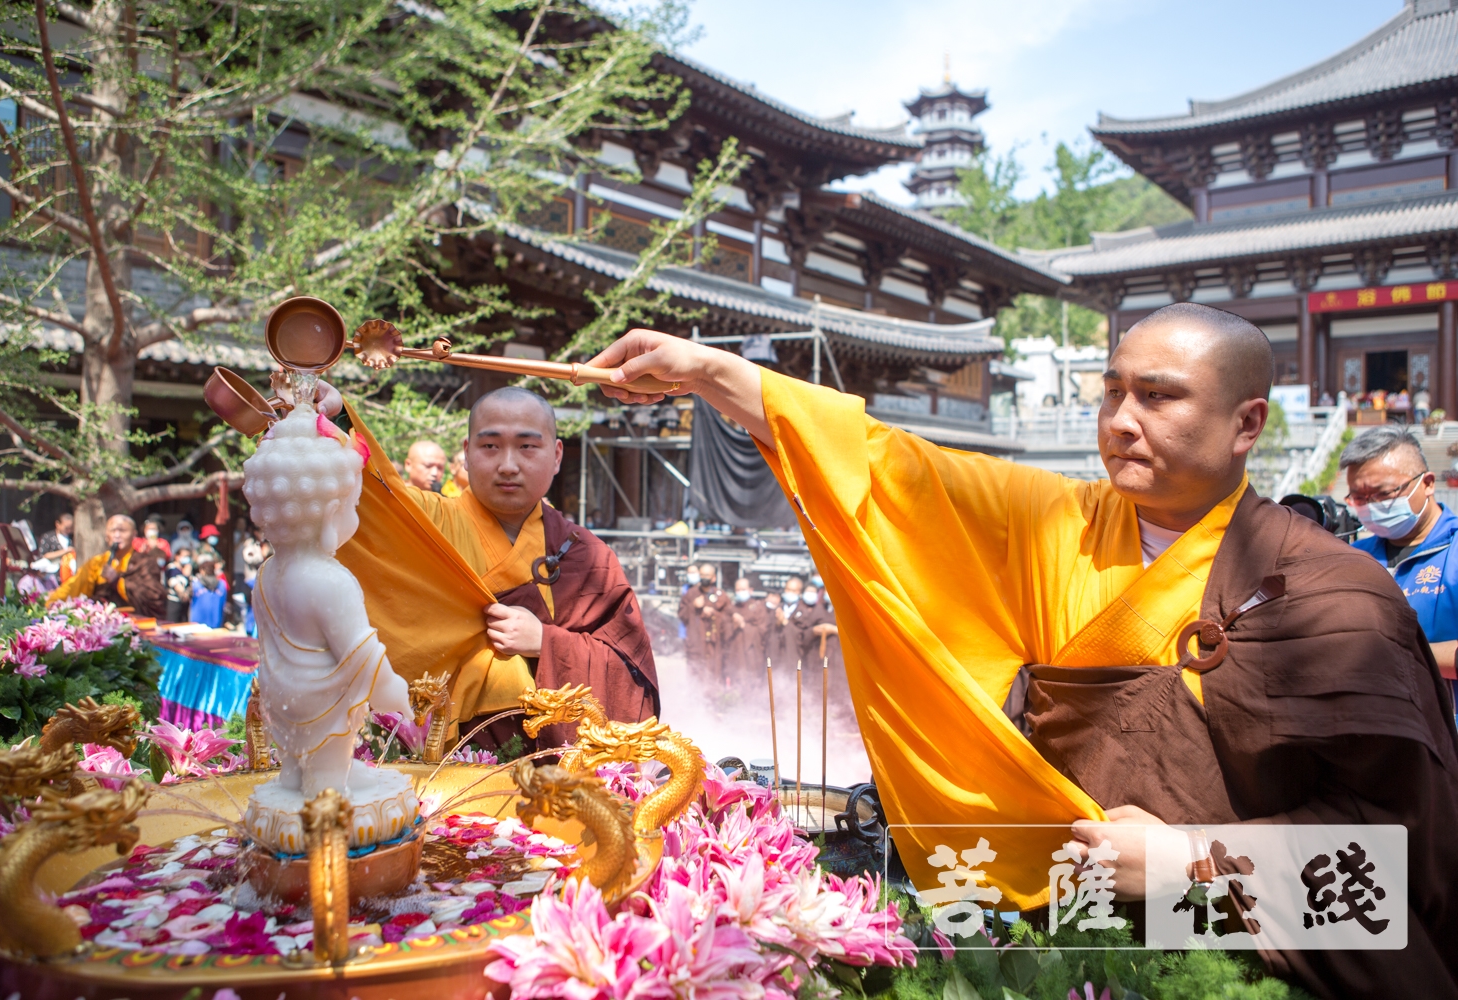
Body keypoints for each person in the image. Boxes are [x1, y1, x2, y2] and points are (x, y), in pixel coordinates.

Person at [589, 303, 1458, 999]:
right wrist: (711, 372)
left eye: (1157, 397)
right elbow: (892, 469)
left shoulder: (1333, 597)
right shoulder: (1056, 523)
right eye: (1111, 391)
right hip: (1071, 935)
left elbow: (1401, 861)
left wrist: (1195, 862)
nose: (1121, 420)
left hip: (1247, 956)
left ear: (1246, 424)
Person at [321, 385, 658, 753]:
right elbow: (367, 494)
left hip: (553, 777)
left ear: (557, 455)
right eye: (490, 446)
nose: (508, 465)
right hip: (436, 767)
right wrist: (329, 416)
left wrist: (546, 642)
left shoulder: (588, 556)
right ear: (466, 454)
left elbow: (632, 674)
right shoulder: (426, 524)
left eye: (528, 446)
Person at [1343, 425, 1458, 713]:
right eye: (1359, 498)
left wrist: (1396, 654)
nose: (1370, 506)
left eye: (1382, 494)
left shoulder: (1453, 550)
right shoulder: (1350, 557)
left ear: (1428, 483)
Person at [48, 515, 167, 618]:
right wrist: (52, 602)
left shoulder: (145, 562)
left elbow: (154, 597)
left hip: (133, 622)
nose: (117, 535)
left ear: (134, 534)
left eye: (122, 531)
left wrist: (117, 581)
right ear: (106, 535)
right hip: (101, 623)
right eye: (113, 531)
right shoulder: (97, 562)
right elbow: (74, 586)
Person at [678, 563, 728, 680]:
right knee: (696, 673)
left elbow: (728, 619)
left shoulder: (721, 595)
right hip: (696, 643)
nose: (704, 577)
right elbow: (681, 615)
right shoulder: (691, 594)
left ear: (713, 578)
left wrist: (714, 614)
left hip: (715, 645)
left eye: (707, 575)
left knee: (713, 673)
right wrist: (693, 606)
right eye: (702, 574)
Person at [720, 576, 769, 688]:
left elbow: (763, 630)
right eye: (738, 590)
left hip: (752, 654)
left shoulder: (759, 608)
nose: (740, 592)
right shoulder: (730, 609)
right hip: (735, 654)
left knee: (753, 683)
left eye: (743, 589)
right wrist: (733, 625)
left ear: (750, 590)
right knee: (735, 681)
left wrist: (744, 626)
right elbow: (724, 630)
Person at [34, 511, 75, 586]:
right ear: (58, 524)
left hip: (69, 575)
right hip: (52, 576)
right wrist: (65, 551)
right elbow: (44, 555)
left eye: (71, 528)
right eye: (66, 528)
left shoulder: (72, 538)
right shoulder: (48, 537)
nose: (69, 530)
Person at [189, 555, 228, 627]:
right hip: (216, 622)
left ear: (202, 571)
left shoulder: (195, 584)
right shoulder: (222, 584)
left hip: (196, 624)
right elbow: (224, 603)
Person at [165, 548, 194, 623]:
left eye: (188, 556)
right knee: (172, 624)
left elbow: (192, 585)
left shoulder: (186, 569)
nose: (186, 558)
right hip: (174, 602)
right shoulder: (172, 568)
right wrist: (186, 576)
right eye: (184, 556)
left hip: (184, 604)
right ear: (177, 556)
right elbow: (175, 585)